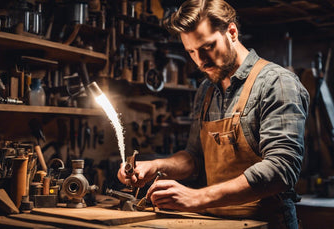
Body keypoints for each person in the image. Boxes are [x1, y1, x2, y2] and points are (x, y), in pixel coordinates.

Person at [118, 0, 310, 228]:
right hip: (215, 222)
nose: (200, 61)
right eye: (191, 51)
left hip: (266, 222)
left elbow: (281, 168)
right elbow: (194, 157)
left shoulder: (276, 83)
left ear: (232, 32)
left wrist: (196, 197)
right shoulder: (207, 89)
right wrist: (157, 166)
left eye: (207, 47)